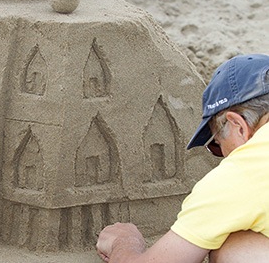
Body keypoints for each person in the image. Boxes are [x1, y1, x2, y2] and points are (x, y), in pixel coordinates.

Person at [96, 54, 269, 262]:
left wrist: (123, 242)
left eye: (216, 145)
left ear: (237, 125)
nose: (223, 157)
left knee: (234, 251)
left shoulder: (239, 176)